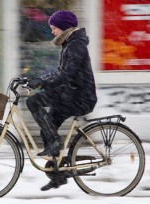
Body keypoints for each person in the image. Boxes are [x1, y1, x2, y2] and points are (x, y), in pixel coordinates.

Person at [26, 10, 98, 191]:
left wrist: (42, 83)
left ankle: (56, 145)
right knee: (47, 130)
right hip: (72, 93)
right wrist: (36, 80)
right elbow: (59, 73)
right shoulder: (69, 44)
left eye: (54, 28)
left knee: (33, 102)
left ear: (65, 28)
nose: (52, 32)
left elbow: (66, 76)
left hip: (80, 95)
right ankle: (58, 176)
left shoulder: (76, 45)